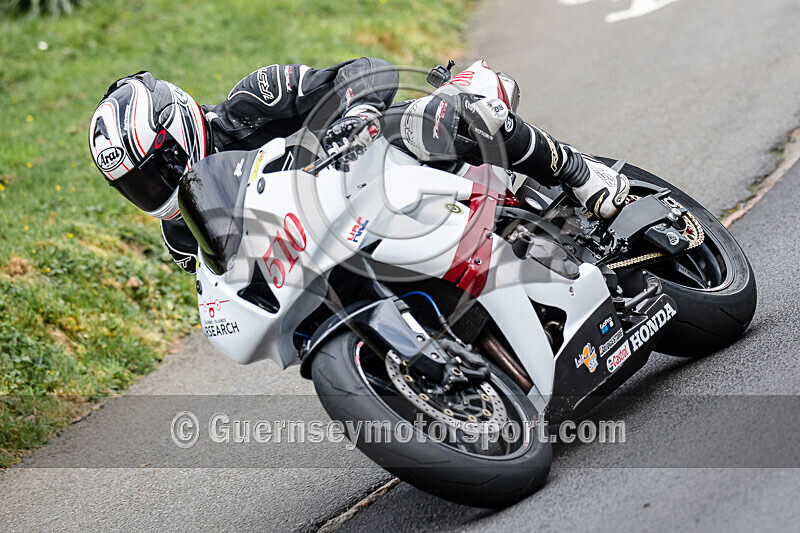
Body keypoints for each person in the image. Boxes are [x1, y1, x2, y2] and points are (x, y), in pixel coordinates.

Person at [88, 58, 629, 273]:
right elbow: (239, 284)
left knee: (447, 118)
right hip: (346, 254)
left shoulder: (253, 101)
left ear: (177, 124)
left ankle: (585, 176)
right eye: (135, 185)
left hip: (379, 166)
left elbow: (364, 70)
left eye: (156, 167)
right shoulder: (186, 234)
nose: (154, 188)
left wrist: (358, 114)